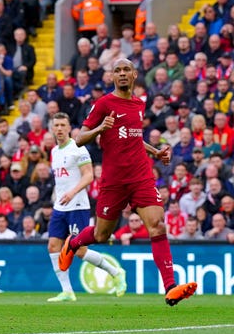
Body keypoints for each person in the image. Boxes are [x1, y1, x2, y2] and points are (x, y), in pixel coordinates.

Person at [59, 58, 197, 306]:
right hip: (113, 180)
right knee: (102, 235)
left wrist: (154, 152)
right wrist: (101, 127)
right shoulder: (103, 104)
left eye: (126, 70)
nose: (122, 74)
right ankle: (74, 242)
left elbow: (133, 137)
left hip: (141, 176)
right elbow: (79, 139)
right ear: (112, 77)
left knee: (157, 226)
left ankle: (171, 287)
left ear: (134, 75)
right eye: (117, 71)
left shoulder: (138, 104)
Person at [47, 112, 126, 302]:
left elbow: (89, 176)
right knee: (53, 246)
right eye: (56, 125)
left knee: (79, 250)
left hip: (78, 205)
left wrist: (72, 192)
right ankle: (67, 291)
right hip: (60, 207)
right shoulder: (54, 152)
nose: (59, 129)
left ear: (68, 128)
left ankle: (116, 272)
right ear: (52, 128)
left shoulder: (77, 148)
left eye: (62, 125)